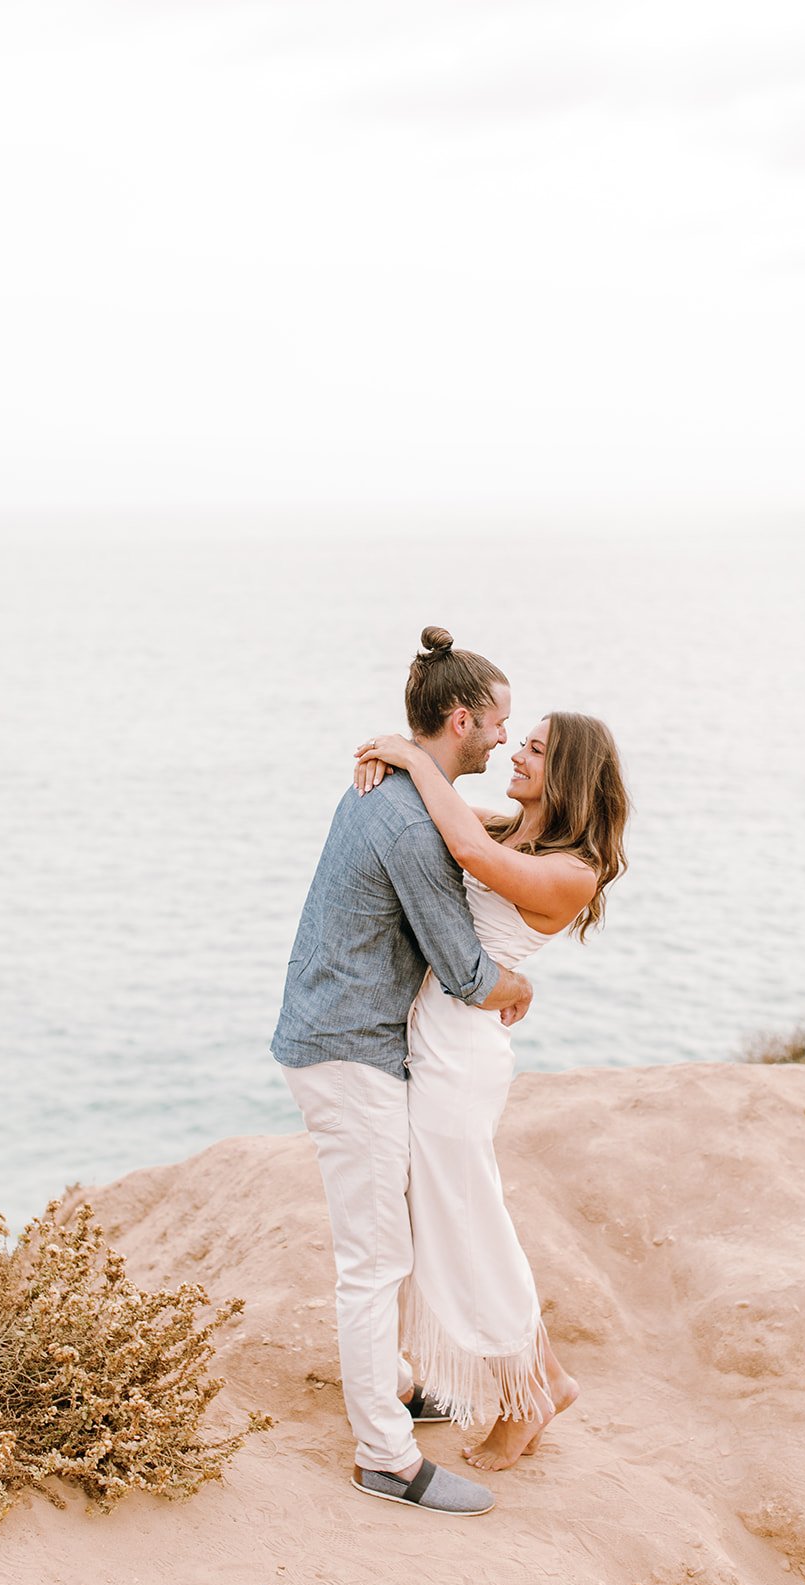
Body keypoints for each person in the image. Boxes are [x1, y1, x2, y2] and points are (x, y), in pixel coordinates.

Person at [271, 627, 533, 1517]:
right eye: (496, 723)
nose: (504, 738)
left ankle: (396, 1390)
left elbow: (465, 832)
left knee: (386, 1247)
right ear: (460, 720)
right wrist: (520, 983)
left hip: (338, 1037)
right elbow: (462, 968)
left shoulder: (390, 790)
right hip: (350, 1056)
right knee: (374, 1261)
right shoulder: (406, 818)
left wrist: (412, 764)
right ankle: (384, 1457)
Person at [353, 698, 629, 1470]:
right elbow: (444, 820)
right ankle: (523, 1380)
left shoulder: (573, 870)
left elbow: (467, 852)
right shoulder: (521, 832)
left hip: (460, 1057)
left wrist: (411, 755)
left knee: (471, 1226)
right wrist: (395, 763)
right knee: (448, 1220)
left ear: (566, 772)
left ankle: (532, 1391)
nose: (516, 754)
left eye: (535, 750)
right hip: (436, 1039)